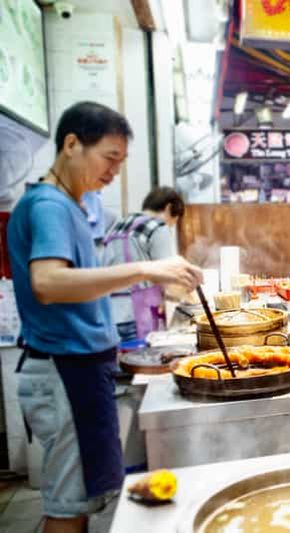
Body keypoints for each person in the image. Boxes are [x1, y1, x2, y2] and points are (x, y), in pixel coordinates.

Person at [8, 101, 202, 533]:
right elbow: (49, 282)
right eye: (109, 157)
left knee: (75, 497)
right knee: (67, 506)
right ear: (72, 144)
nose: (114, 171)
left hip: (79, 369)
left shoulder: (73, 207)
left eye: (121, 161)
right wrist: (146, 269)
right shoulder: (50, 207)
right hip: (64, 370)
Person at [102, 187, 185, 341]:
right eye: (174, 221)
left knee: (122, 362)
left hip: (110, 314)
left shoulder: (118, 225)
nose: (171, 227)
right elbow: (169, 273)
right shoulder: (158, 227)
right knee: (143, 361)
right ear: (168, 208)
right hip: (138, 315)